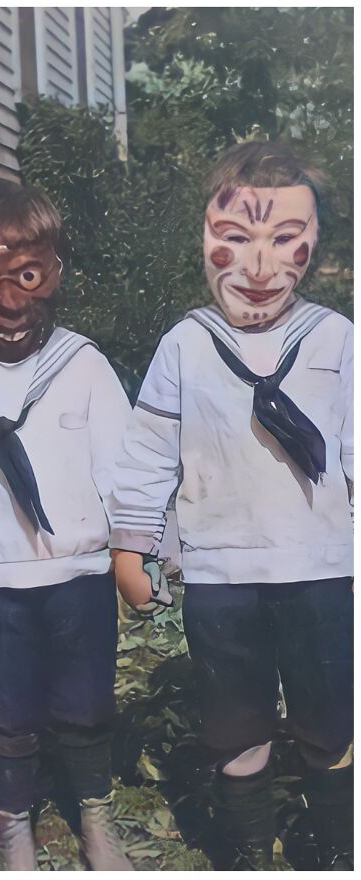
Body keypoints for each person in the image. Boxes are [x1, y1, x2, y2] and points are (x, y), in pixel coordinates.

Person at [110, 142, 353, 870]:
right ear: (204, 241)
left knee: (330, 714)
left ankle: (333, 839)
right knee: (235, 721)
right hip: (221, 578)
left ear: (314, 245)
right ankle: (246, 847)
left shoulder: (337, 340)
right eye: (236, 239)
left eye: (283, 240)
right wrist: (131, 546)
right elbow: (149, 449)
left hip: (319, 570)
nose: (256, 267)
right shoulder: (186, 345)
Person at [0, 178, 134, 870]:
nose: (9, 302)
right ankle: (12, 824)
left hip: (78, 576)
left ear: (56, 275)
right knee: (6, 714)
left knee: (84, 705)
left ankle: (94, 817)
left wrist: (140, 552)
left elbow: (122, 471)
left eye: (27, 276)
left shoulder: (83, 367)